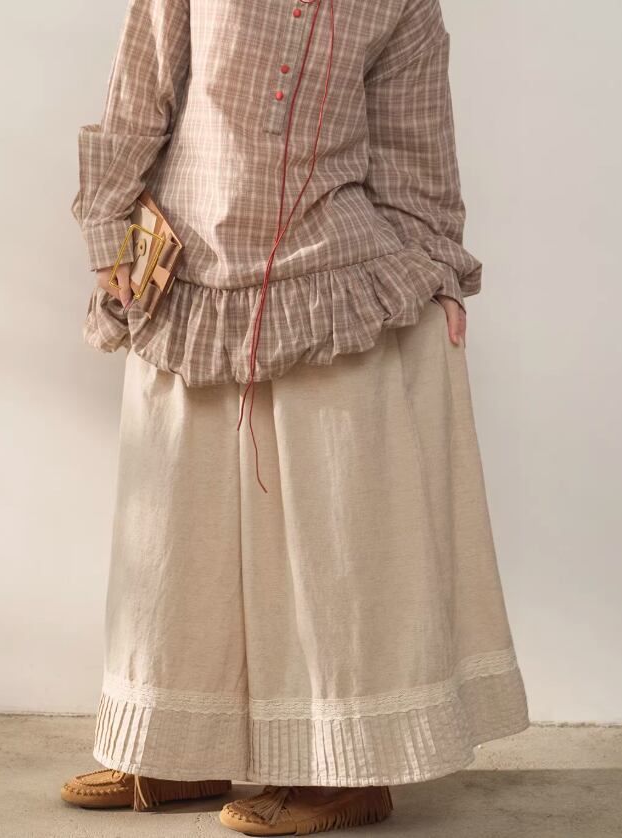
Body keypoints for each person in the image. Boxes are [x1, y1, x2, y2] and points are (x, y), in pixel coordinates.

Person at [60, 0, 530, 833]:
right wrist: (108, 232)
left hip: (334, 281)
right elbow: (140, 94)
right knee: (176, 542)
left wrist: (438, 269)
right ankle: (180, 746)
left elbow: (415, 151)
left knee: (339, 547)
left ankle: (347, 773)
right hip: (192, 282)